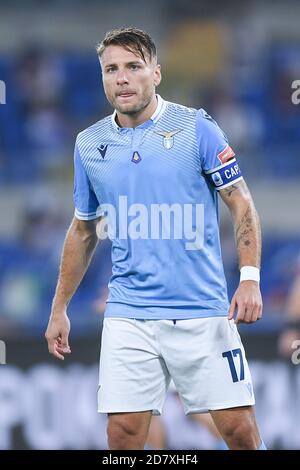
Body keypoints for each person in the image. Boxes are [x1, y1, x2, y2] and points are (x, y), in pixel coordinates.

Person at [45, 27, 266, 450]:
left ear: (157, 73)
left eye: (133, 66)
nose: (122, 78)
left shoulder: (197, 128)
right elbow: (83, 228)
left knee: (239, 431)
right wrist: (59, 308)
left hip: (201, 309)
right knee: (122, 434)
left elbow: (240, 202)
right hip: (129, 313)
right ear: (103, 78)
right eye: (111, 69)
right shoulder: (89, 144)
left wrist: (250, 277)